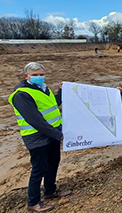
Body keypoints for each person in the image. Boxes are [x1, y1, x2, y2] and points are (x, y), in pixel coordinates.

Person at [8, 62, 72, 212]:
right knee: (39, 169)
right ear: (26, 76)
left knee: (53, 162)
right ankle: (33, 203)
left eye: (41, 74)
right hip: (36, 137)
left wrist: (61, 92)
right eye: (35, 75)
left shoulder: (44, 89)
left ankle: (50, 191)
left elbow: (54, 104)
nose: (39, 77)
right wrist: (57, 134)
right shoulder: (21, 95)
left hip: (52, 135)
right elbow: (35, 120)